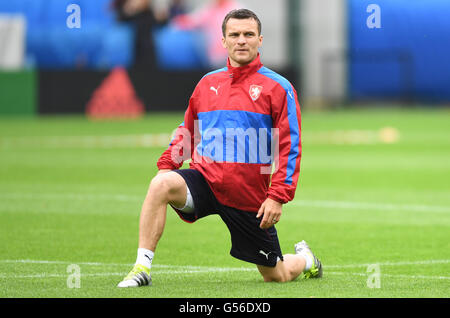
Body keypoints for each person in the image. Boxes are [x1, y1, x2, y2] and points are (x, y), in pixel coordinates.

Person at [117, 8, 322, 288]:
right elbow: (187, 131)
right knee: (161, 184)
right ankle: (141, 268)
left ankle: (307, 260)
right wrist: (167, 166)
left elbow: (290, 146)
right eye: (234, 35)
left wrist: (277, 196)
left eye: (248, 34)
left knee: (277, 275)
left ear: (260, 40)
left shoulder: (278, 87)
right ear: (223, 41)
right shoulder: (207, 84)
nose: (241, 40)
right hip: (205, 179)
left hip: (249, 196)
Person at [172, 0, 241, 68]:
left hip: (231, 55)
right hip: (215, 57)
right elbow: (192, 21)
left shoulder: (237, 10)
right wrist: (176, 22)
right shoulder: (210, 9)